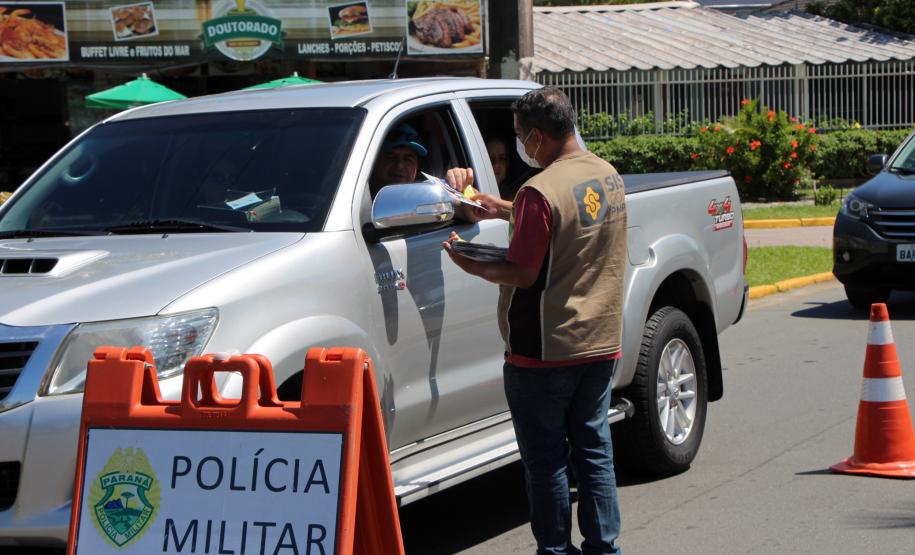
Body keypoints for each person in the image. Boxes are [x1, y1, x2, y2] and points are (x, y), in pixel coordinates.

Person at [442, 87, 627, 555]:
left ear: (539, 136)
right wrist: (501, 206)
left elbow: (522, 272)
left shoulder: (539, 191)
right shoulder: (606, 175)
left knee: (546, 463)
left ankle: (554, 550)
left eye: (523, 136)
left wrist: (470, 263)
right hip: (600, 342)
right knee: (594, 451)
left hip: (544, 349)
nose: (523, 145)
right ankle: (605, 547)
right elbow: (569, 222)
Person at [369, 123, 428, 197]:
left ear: (417, 166)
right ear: (375, 162)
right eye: (391, 157)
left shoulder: (426, 198)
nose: (399, 165)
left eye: (408, 159)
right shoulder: (356, 194)